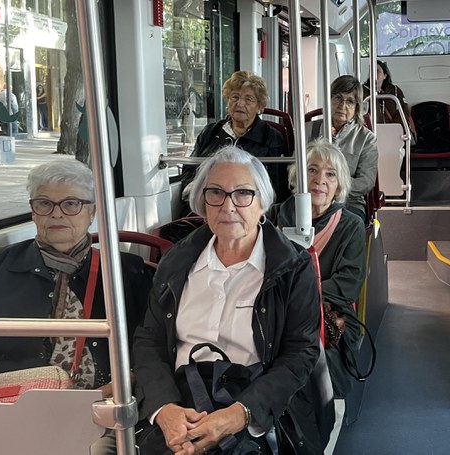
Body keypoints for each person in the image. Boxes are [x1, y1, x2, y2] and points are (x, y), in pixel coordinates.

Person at [0, 159, 153, 453]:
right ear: (33, 211)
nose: (56, 213)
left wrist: (115, 389)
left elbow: (151, 345)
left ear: (92, 212)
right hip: (7, 405)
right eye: (44, 204)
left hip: (96, 410)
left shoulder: (125, 271)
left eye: (71, 204)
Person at [133, 146, 333, 454]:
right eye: (216, 193)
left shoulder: (292, 267)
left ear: (262, 203)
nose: (228, 206)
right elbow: (150, 340)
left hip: (255, 402)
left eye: (243, 193)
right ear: (203, 203)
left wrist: (239, 415)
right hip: (180, 399)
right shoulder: (176, 261)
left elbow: (300, 354)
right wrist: (164, 409)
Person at [266, 139, 367, 454]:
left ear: (338, 187)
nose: (319, 179)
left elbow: (347, 284)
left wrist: (297, 299)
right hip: (277, 311)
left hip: (328, 314)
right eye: (312, 170)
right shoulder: (274, 216)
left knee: (314, 359)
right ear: (298, 176)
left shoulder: (351, 225)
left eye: (330, 174)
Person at [180, 71, 289, 216]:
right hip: (206, 207)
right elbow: (189, 170)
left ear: (259, 107)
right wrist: (203, 193)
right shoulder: (210, 132)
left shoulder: (271, 137)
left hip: (249, 209)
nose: (240, 103)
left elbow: (276, 187)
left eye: (248, 99)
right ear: (228, 101)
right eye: (235, 97)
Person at [306, 75, 378, 224]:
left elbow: (366, 181)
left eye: (350, 101)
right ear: (329, 100)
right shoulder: (308, 130)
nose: (342, 105)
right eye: (338, 98)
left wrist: (331, 187)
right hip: (310, 199)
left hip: (349, 202)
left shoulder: (366, 139)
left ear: (357, 107)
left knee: (348, 224)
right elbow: (295, 170)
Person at [363, 60, 410, 125]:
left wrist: (393, 127)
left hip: (393, 128)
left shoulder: (395, 90)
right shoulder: (363, 90)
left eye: (377, 71)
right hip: (370, 128)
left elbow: (404, 111)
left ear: (385, 76)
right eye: (371, 71)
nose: (374, 74)